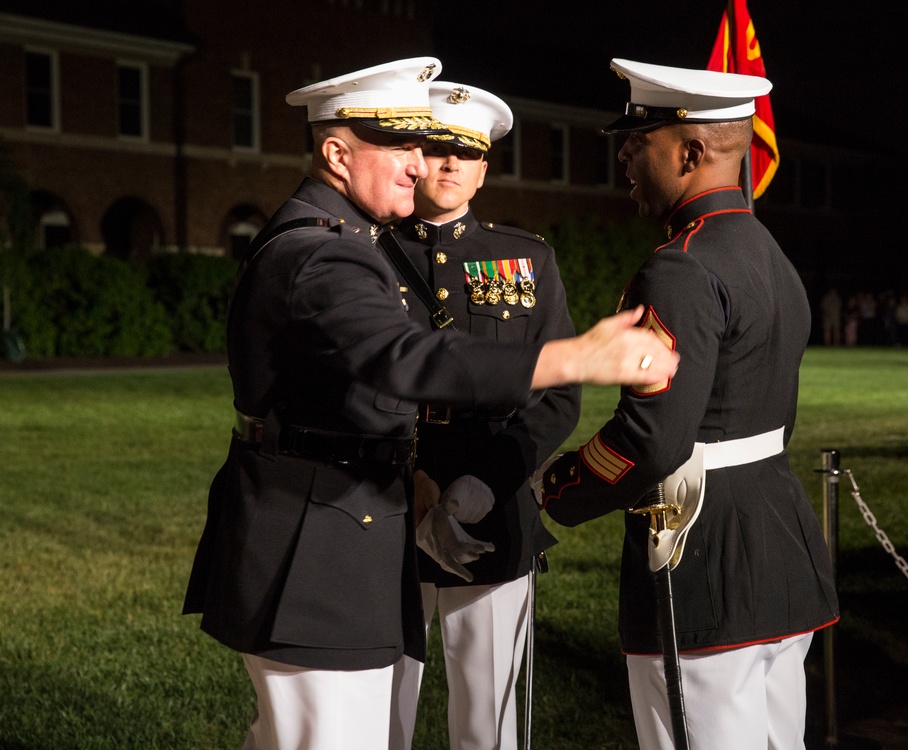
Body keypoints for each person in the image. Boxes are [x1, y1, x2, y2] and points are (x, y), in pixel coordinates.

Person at [181, 57, 679, 750]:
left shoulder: (345, 241)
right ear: (335, 152)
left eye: (438, 148)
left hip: (344, 528)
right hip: (319, 546)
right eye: (403, 146)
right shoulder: (326, 255)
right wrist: (576, 357)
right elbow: (406, 358)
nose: (422, 165)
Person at [539, 60, 840, 750]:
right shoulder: (768, 251)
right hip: (777, 544)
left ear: (690, 152)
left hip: (700, 557)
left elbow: (653, 440)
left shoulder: (680, 267)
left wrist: (549, 494)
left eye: (637, 142)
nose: (623, 156)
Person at [387, 82, 579, 749]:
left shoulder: (527, 259)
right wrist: (412, 482)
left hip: (491, 515)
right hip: (385, 507)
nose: (448, 165)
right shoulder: (368, 251)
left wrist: (481, 487)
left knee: (487, 727)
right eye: (436, 150)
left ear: (483, 167)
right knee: (378, 719)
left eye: (464, 153)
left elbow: (557, 397)